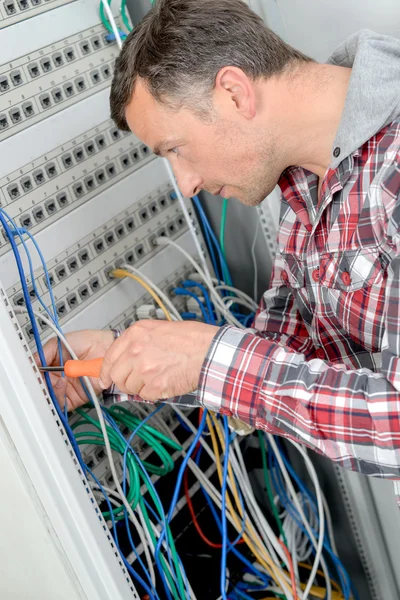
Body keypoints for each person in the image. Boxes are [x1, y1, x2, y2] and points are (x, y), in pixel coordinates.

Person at [40, 0, 400, 479]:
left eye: (176, 149)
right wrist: (120, 361)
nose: (186, 183)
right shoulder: (307, 182)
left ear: (234, 93)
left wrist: (208, 360)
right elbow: (289, 356)